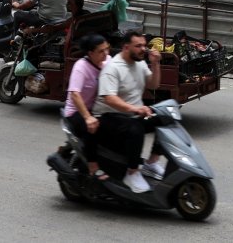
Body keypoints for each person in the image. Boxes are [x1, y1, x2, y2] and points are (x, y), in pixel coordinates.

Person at [93, 30, 163, 194]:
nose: (143, 49)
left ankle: (152, 163)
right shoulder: (113, 68)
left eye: (144, 45)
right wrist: (135, 109)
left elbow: (153, 85)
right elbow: (109, 98)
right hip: (107, 117)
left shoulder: (140, 63)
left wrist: (155, 64)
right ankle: (132, 172)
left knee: (165, 117)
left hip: (131, 114)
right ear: (126, 47)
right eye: (138, 46)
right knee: (135, 129)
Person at [63, 33, 110, 180]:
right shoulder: (81, 67)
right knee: (93, 128)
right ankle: (93, 166)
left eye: (107, 49)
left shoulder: (107, 61)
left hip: (96, 108)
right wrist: (88, 117)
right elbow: (75, 94)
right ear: (90, 53)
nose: (105, 53)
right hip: (76, 112)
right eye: (101, 51)